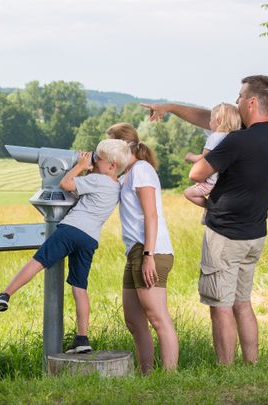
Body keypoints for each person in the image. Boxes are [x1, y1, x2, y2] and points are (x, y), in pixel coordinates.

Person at [141, 75, 268, 365]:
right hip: (254, 235)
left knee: (220, 306)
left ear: (252, 102)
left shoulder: (236, 142)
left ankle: (225, 368)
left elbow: (197, 174)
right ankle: (251, 364)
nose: (237, 100)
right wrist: (170, 107)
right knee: (243, 303)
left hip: (226, 237)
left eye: (240, 97)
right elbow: (213, 118)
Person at [0, 139, 131, 354]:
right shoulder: (114, 186)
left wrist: (79, 166)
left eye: (99, 158)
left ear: (111, 166)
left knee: (38, 262)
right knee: (79, 287)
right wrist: (84, 171)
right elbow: (80, 193)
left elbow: (66, 185)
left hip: (71, 230)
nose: (94, 159)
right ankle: (82, 339)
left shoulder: (98, 180)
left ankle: (4, 295)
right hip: (90, 239)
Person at [106, 123, 178, 374]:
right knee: (134, 321)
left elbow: (151, 215)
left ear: (122, 147)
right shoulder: (129, 174)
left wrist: (148, 256)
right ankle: (147, 374)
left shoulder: (142, 171)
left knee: (158, 317)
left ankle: (169, 376)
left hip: (151, 251)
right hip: (135, 251)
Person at [183, 103, 241, 210]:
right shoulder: (233, 137)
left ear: (218, 120)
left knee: (188, 193)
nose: (209, 123)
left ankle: (211, 207)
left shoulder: (214, 137)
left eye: (211, 119)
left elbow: (204, 159)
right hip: (223, 180)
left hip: (210, 182)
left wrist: (190, 157)